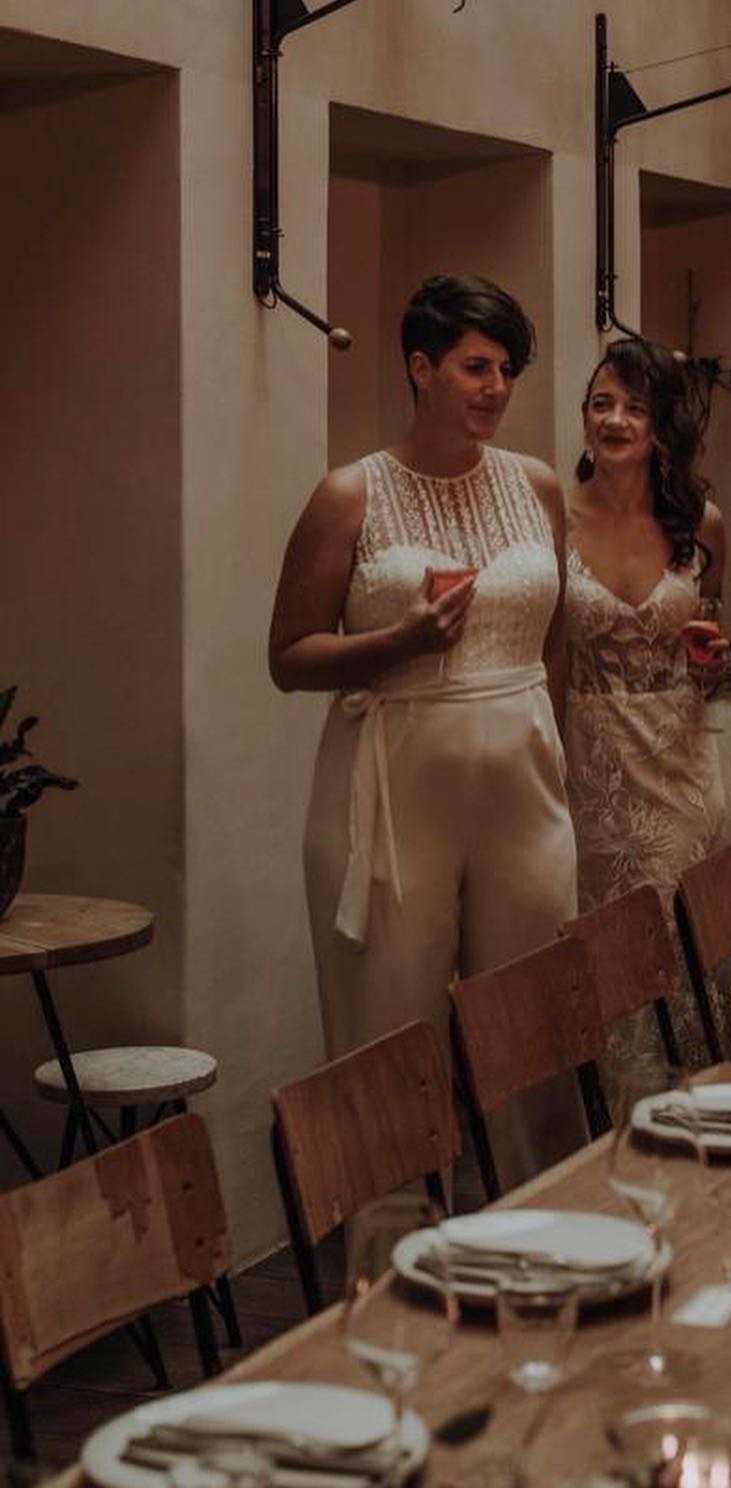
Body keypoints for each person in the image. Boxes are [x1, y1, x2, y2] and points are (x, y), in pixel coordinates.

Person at [269, 274, 581, 1185]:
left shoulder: (537, 487)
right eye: (476, 367)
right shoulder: (349, 494)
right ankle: (390, 1240)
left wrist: (548, 750)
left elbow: (554, 639)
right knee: (390, 1038)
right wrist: (397, 643)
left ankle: (542, 1226)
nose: (496, 387)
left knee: (533, 1019)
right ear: (420, 368)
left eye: (507, 370)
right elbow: (287, 656)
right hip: (391, 797)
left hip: (524, 788)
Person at [563, 336, 731, 1071]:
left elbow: (711, 637)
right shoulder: (554, 517)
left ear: (663, 424)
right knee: (601, 940)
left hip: (678, 757)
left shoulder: (702, 524)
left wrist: (712, 664)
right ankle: (609, 1110)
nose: (614, 421)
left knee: (677, 931)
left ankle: (694, 1092)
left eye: (634, 408)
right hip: (587, 760)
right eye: (601, 404)